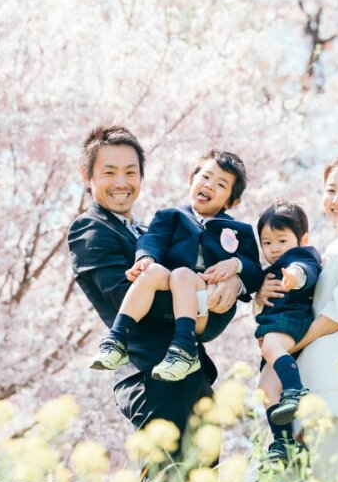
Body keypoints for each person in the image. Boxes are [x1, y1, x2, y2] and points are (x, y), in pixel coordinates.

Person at [68, 126, 245, 439]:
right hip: (150, 375)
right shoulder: (91, 229)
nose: (121, 183)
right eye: (109, 172)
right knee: (166, 480)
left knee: (198, 480)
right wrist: (206, 298)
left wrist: (235, 282)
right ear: (87, 176)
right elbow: (130, 299)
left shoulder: (149, 233)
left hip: (190, 374)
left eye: (130, 172)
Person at [256, 153, 338, 471]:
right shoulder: (331, 249)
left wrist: (288, 347)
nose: (337, 199)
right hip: (311, 392)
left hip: (334, 394)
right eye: (330, 190)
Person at [89, 149, 264, 382]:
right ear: (191, 179)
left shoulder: (239, 231)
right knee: (153, 272)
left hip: (209, 308)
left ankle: (185, 349)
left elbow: (255, 272)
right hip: (174, 292)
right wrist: (145, 259)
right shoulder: (171, 216)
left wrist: (236, 264)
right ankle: (118, 339)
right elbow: (152, 240)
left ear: (232, 201)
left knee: (181, 274)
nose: (210, 185)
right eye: (205, 177)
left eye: (221, 185)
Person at [253, 200, 322, 462]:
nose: (273, 249)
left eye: (281, 240)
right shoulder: (268, 270)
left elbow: (306, 269)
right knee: (265, 388)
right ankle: (283, 443)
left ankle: (296, 390)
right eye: (267, 243)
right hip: (273, 327)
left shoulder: (302, 255)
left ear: (302, 239)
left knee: (271, 347)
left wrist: (294, 276)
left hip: (291, 319)